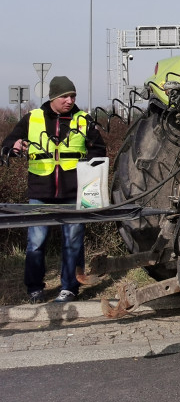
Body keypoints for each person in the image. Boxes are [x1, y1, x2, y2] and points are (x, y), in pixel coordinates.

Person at [1, 76, 106, 304]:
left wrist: (89, 174)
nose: (70, 100)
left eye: (73, 96)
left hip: (74, 193)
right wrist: (14, 146)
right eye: (65, 96)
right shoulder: (32, 119)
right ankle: (35, 288)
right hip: (40, 193)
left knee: (73, 243)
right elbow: (7, 144)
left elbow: (99, 151)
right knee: (36, 244)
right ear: (53, 98)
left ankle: (69, 288)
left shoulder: (83, 119)